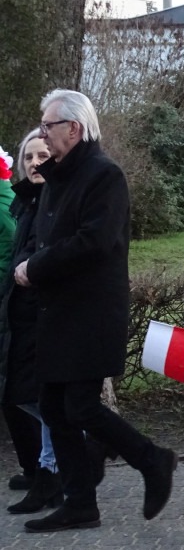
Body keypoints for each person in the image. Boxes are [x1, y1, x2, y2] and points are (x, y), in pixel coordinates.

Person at [19, 90, 177, 533]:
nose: (43, 132)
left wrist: (38, 265)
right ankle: (80, 502)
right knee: (53, 403)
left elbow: (95, 241)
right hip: (58, 310)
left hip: (89, 313)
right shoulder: (58, 177)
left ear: (74, 127)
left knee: (81, 406)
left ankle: (152, 459)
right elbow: (43, 237)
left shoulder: (103, 175)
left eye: (49, 125)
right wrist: (26, 263)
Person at [3, 131, 60, 513]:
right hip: (20, 311)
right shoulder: (25, 203)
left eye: (43, 155)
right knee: (25, 395)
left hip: (47, 314)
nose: (35, 163)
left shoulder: (56, 202)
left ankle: (54, 469)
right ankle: (52, 464)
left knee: (39, 396)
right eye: (28, 157)